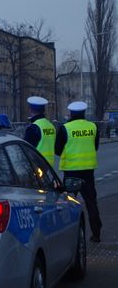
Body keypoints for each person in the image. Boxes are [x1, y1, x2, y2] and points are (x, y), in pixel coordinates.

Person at [55, 101, 102, 242]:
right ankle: (96, 234)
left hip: (71, 172)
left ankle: (67, 236)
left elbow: (57, 150)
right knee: (91, 202)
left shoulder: (65, 128)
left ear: (71, 113)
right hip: (88, 172)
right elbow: (96, 146)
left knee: (67, 204)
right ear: (84, 113)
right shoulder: (93, 127)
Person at [24, 96, 56, 165]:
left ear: (31, 110)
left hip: (37, 166)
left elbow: (26, 150)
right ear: (43, 110)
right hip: (50, 165)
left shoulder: (33, 128)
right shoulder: (51, 126)